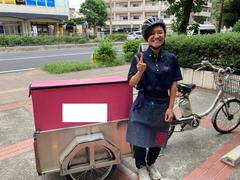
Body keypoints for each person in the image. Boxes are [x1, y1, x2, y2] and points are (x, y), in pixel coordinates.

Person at [126, 17, 183, 180]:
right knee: (140, 139)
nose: (156, 36)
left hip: (162, 105)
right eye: (151, 33)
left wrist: (171, 108)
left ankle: (151, 164)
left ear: (164, 34)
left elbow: (173, 84)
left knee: (159, 138)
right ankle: (141, 167)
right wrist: (140, 71)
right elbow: (131, 83)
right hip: (143, 105)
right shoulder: (139, 57)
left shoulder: (171, 58)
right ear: (146, 37)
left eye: (160, 32)